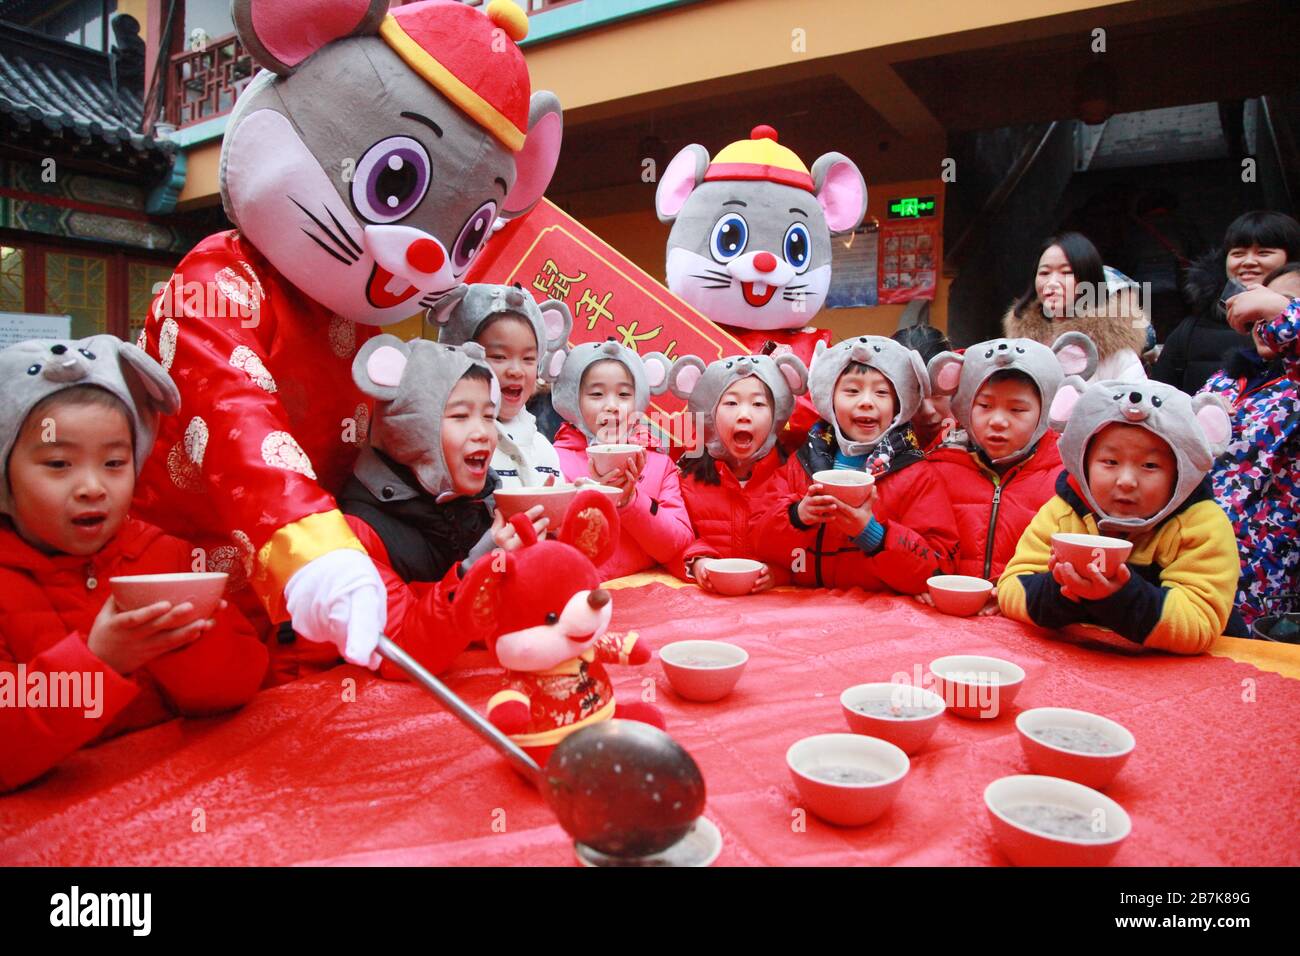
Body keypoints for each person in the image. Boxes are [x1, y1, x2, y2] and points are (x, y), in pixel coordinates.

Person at [0, 337, 267, 791]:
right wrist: (100, 662)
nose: (91, 487)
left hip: (176, 798)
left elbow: (241, 687)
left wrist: (191, 641)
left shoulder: (161, 555)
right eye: (59, 463)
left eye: (114, 462)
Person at [340, 337, 548, 678]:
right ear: (410, 427)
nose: (483, 433)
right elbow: (399, 655)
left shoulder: (483, 504)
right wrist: (477, 569)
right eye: (461, 416)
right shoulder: (357, 532)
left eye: (488, 415)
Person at [998, 377, 1244, 654]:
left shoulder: (1200, 523)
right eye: (1110, 462)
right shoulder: (1064, 511)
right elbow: (1011, 588)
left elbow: (1199, 623)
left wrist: (1117, 596)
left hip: (1181, 676)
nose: (1126, 480)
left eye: (1150, 465)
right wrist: (1062, 589)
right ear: (1084, 462)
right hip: (1081, 663)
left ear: (1180, 471)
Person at [754, 336, 957, 593]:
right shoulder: (802, 463)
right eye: (852, 390)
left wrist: (871, 534)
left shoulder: (917, 476)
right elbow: (757, 538)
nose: (866, 402)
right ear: (830, 399)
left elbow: (938, 571)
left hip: (879, 619)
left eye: (882, 392)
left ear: (898, 405)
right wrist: (798, 516)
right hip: (805, 614)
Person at [924, 332, 1098, 598]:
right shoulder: (938, 467)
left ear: (1047, 409)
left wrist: (1014, 594)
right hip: (949, 613)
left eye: (1017, 410)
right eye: (984, 405)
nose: (998, 421)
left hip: (1027, 611)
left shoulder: (1068, 480)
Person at [1199, 264, 1300, 627]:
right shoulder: (1227, 378)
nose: (1265, 317)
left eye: (1285, 304)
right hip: (1191, 561)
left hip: (1261, 582)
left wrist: (1282, 313)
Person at [550, 339, 693, 580]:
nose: (612, 406)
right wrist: (594, 497)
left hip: (647, 602)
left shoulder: (659, 463)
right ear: (574, 399)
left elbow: (678, 543)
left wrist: (631, 501)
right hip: (581, 600)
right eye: (596, 394)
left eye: (624, 394)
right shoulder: (552, 461)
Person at [667, 353, 808, 592]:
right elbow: (671, 543)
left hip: (778, 607)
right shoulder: (685, 478)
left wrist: (782, 573)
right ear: (710, 414)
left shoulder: (796, 474)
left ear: (776, 416)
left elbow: (812, 552)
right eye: (731, 403)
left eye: (758, 404)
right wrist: (697, 563)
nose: (744, 415)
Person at [432, 283, 572, 487]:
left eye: (528, 359)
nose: (516, 370)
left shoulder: (544, 448)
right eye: (499, 356)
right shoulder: (449, 442)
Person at [1151, 210, 1300, 394]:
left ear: (1292, 259)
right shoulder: (1191, 330)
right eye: (1237, 254)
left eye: (1263, 252)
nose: (1248, 261)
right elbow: (1159, 400)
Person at [1004, 232, 1148, 382]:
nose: (1052, 282)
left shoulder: (1116, 352)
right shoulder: (1017, 348)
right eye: (1044, 273)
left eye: (1066, 272)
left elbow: (1134, 401)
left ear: (1089, 278)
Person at [892, 323, 955, 450]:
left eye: (937, 394)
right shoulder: (876, 448)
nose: (928, 411)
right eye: (914, 398)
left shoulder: (980, 436)